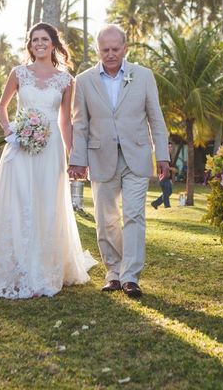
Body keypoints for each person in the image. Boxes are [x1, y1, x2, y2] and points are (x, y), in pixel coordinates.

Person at [0, 22, 96, 299]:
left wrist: (74, 158)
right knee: (18, 201)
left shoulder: (67, 80)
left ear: (54, 43)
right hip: (21, 146)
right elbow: (1, 106)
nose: (39, 44)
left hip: (51, 149)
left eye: (44, 39)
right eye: (35, 40)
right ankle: (15, 266)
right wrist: (11, 131)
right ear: (30, 45)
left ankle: (43, 268)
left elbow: (66, 121)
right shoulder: (18, 73)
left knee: (46, 203)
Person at [68, 24, 169, 298]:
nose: (110, 54)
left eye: (115, 49)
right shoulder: (84, 80)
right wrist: (77, 159)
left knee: (134, 215)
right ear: (98, 49)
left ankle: (130, 277)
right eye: (105, 49)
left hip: (136, 156)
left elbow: (156, 119)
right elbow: (80, 124)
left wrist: (162, 155)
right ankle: (113, 272)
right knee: (106, 218)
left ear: (125, 48)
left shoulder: (144, 76)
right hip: (100, 156)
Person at [152, 142, 174, 209]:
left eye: (171, 147)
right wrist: (172, 169)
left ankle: (155, 203)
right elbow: (162, 166)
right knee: (166, 191)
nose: (170, 148)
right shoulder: (163, 156)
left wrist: (170, 179)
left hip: (167, 177)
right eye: (169, 147)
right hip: (163, 177)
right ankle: (167, 206)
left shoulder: (169, 156)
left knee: (169, 192)